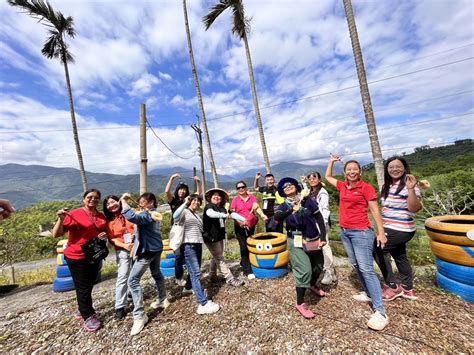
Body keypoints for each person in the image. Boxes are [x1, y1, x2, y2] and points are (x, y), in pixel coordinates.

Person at [325, 155, 389, 331]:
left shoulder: (366, 188)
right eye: (348, 170)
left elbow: (375, 210)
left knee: (367, 269)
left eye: (355, 169)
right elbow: (328, 177)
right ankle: (368, 293)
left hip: (361, 232)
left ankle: (380, 311)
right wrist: (331, 162)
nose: (352, 172)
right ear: (345, 173)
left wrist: (381, 232)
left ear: (360, 172)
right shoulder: (343, 186)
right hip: (345, 231)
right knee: (355, 264)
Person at [52, 189, 107, 332]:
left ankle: (82, 308)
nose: (93, 199)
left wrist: (103, 236)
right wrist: (60, 219)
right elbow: (56, 234)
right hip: (76, 255)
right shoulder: (75, 214)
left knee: (89, 283)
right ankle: (88, 316)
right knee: (82, 286)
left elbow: (100, 231)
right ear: (84, 199)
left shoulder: (101, 216)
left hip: (93, 255)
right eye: (90, 197)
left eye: (96, 198)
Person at [273, 177, 327, 319]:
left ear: (296, 187)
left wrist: (323, 236)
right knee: (304, 270)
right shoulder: (284, 205)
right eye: (285, 187)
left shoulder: (307, 200)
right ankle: (300, 302)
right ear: (283, 192)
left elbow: (319, 218)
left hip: (314, 238)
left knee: (318, 266)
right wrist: (292, 208)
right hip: (296, 240)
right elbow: (277, 217)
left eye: (290, 184)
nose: (288, 187)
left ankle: (312, 285)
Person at [374, 157, 423, 301]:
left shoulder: (410, 185)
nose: (394, 169)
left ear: (404, 168)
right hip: (390, 227)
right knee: (400, 255)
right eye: (391, 167)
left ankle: (392, 286)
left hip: (402, 228)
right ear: (387, 170)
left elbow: (415, 208)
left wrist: (411, 189)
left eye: (398, 166)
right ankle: (408, 288)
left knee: (377, 248)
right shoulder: (386, 186)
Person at [121, 192, 168, 336]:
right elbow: (139, 228)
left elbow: (131, 217)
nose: (141, 203)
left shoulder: (150, 214)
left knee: (133, 281)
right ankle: (162, 299)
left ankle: (140, 316)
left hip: (148, 251)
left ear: (151, 203)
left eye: (144, 201)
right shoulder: (150, 214)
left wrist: (123, 200)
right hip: (155, 248)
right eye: (140, 201)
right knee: (157, 274)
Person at [173, 194, 220, 314]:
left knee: (194, 270)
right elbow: (175, 216)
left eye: (198, 201)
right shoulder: (184, 212)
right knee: (196, 273)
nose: (196, 202)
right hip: (188, 245)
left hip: (197, 244)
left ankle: (188, 287)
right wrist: (185, 203)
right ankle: (202, 303)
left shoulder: (197, 215)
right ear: (189, 202)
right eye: (194, 200)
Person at [165, 173, 202, 287]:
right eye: (180, 189)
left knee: (187, 254)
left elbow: (198, 193)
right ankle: (179, 277)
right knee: (178, 255)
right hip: (177, 231)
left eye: (184, 190)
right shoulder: (174, 201)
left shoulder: (188, 200)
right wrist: (171, 178)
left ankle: (190, 277)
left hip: (188, 231)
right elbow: (167, 191)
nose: (182, 191)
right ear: (177, 190)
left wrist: (198, 181)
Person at [202, 188, 245, 287]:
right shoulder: (209, 206)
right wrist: (224, 215)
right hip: (211, 237)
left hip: (219, 236)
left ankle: (212, 276)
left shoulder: (222, 208)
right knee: (220, 258)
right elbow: (210, 214)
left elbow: (232, 214)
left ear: (221, 198)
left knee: (216, 256)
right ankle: (230, 278)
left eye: (218, 195)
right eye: (214, 195)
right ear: (210, 198)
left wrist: (243, 219)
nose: (216, 197)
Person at [301, 172, 338, 285]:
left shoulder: (322, 193)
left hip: (321, 224)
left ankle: (329, 273)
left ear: (319, 179)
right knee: (320, 247)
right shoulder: (312, 192)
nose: (312, 180)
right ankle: (328, 272)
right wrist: (303, 183)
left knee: (324, 246)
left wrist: (322, 225)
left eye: (314, 177)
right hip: (313, 224)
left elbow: (325, 209)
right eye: (310, 178)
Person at [103, 195, 135, 321]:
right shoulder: (109, 221)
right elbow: (112, 239)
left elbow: (137, 224)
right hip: (122, 250)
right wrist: (125, 246)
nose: (111, 205)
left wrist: (134, 238)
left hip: (136, 247)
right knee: (122, 276)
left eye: (113, 202)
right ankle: (120, 307)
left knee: (134, 274)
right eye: (108, 204)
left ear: (119, 201)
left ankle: (132, 293)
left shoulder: (128, 212)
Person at [230, 181, 268, 279]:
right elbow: (233, 214)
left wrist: (262, 215)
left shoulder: (252, 197)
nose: (241, 189)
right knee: (243, 246)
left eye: (243, 187)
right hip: (239, 226)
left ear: (246, 188)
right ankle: (247, 270)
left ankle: (244, 262)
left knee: (249, 244)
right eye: (238, 188)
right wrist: (240, 223)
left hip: (251, 225)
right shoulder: (235, 200)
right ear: (237, 190)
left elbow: (256, 208)